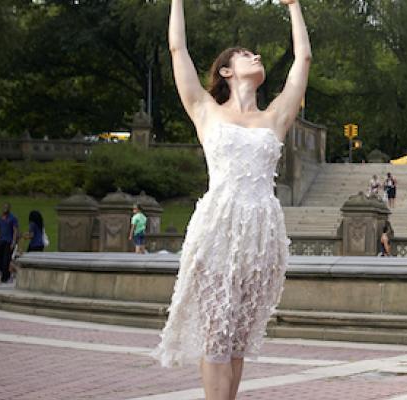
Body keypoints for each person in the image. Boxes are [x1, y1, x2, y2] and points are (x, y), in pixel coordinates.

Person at [151, 1, 310, 399]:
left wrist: (293, 6)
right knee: (216, 332)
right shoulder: (206, 111)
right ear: (226, 71)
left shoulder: (274, 117)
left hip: (260, 233)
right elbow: (177, 49)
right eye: (245, 54)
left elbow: (303, 57)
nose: (255, 56)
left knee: (236, 337)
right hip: (219, 227)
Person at [0, 203, 18, 283]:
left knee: (6, 260)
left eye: (7, 207)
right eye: (4, 207)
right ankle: (5, 275)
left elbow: (15, 230)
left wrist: (13, 242)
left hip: (8, 242)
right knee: (0, 259)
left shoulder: (13, 218)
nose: (5, 208)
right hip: (1, 241)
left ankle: (5, 278)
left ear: (9, 208)